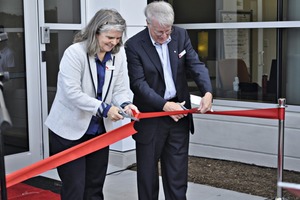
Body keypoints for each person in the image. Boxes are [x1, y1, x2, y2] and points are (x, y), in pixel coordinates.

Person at [45, 9, 139, 200]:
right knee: (75, 189)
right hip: (68, 131)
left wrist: (126, 105)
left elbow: (120, 89)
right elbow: (72, 93)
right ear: (95, 32)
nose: (114, 43)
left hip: (98, 133)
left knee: (95, 188)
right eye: (109, 37)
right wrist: (105, 109)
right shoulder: (74, 53)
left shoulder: (118, 55)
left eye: (118, 38)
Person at [124, 1, 213, 200]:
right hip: (151, 116)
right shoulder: (134, 45)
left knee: (177, 175)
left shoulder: (180, 35)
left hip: (179, 115)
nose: (165, 36)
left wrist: (207, 92)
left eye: (168, 31)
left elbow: (196, 65)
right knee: (147, 176)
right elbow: (138, 84)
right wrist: (165, 106)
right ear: (147, 24)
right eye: (159, 32)